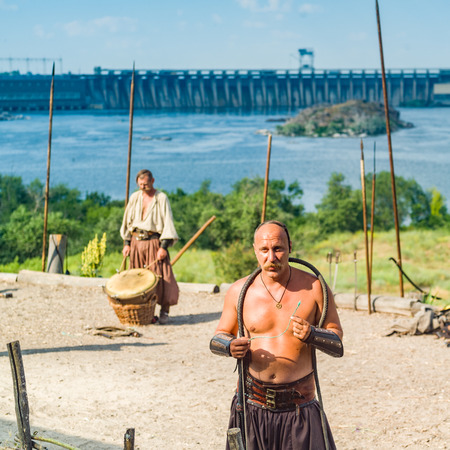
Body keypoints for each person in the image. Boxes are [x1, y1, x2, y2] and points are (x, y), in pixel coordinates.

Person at [210, 220, 343, 449]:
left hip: (299, 409)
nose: (271, 257)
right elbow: (217, 337)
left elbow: (337, 343)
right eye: (264, 250)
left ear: (290, 247)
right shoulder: (239, 291)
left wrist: (312, 334)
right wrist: (230, 346)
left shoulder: (315, 288)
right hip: (251, 406)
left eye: (278, 248)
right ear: (255, 250)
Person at [120, 169, 179, 325]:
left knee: (161, 277)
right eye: (140, 185)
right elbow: (127, 222)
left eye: (145, 184)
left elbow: (167, 223)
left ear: (153, 181)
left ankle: (164, 311)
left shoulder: (161, 198)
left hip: (154, 242)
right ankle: (144, 313)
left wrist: (163, 247)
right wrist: (127, 244)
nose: (143, 187)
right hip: (136, 242)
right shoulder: (134, 197)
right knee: (137, 278)